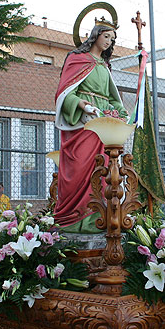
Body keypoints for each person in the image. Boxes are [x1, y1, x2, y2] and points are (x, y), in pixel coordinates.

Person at [53, 19, 129, 233]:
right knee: (79, 167)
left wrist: (121, 112)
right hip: (82, 123)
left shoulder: (104, 66)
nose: (109, 41)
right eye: (106, 36)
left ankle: (100, 217)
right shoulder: (77, 59)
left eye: (112, 39)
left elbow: (111, 98)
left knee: (103, 168)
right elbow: (64, 93)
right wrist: (82, 105)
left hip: (103, 125)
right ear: (95, 35)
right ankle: (74, 219)